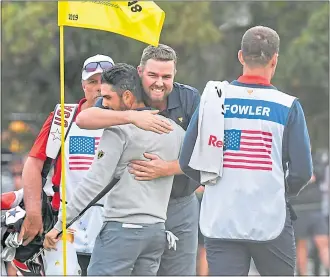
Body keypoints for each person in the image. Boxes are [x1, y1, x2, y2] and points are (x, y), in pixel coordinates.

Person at [179, 25, 313, 276]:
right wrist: (280, 193)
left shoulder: (212, 99)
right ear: (275, 59)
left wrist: (213, 184)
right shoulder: (288, 106)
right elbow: (302, 171)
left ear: (240, 56)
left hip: (221, 217)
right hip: (270, 217)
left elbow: (186, 161)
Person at [44, 63, 186, 276]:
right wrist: (168, 168)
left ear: (127, 97)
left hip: (122, 232)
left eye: (108, 98)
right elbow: (198, 164)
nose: (104, 104)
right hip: (156, 233)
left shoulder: (118, 130)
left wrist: (60, 225)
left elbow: (94, 182)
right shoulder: (175, 130)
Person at [75, 44, 201, 275]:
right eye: (153, 75)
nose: (159, 82)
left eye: (166, 76)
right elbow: (84, 119)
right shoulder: (127, 94)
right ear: (140, 71)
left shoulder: (190, 98)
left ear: (175, 75)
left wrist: (167, 168)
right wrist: (131, 117)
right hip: (134, 210)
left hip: (179, 204)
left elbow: (206, 154)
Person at [18, 54, 116, 276]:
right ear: (83, 86)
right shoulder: (64, 117)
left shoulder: (127, 119)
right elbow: (33, 164)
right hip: (64, 223)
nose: (99, 88)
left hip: (112, 223)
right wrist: (34, 214)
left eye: (105, 81)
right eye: (93, 82)